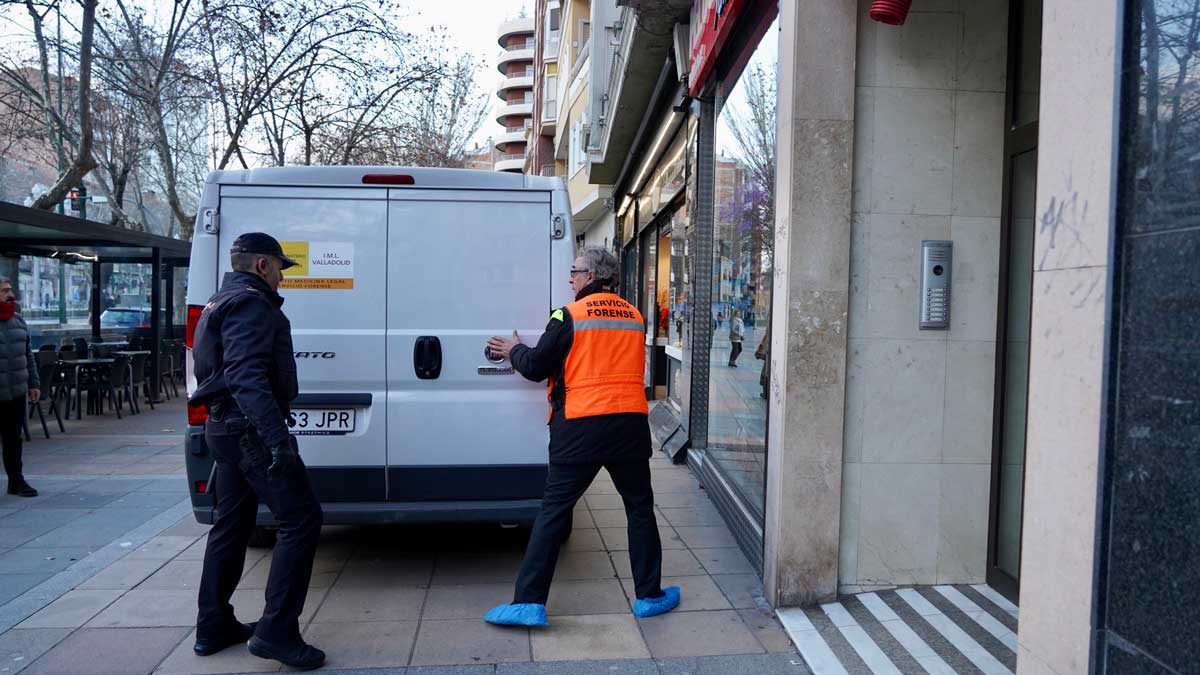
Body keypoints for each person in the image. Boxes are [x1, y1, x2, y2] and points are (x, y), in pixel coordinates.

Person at [483, 247, 680, 627]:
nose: (570, 279)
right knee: (639, 508)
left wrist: (513, 349)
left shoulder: (568, 315)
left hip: (581, 427)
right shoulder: (635, 316)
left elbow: (538, 367)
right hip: (629, 427)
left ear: (590, 276)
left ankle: (528, 603)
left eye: (574, 272)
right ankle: (649, 596)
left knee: (554, 512)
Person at [190, 233, 325, 670]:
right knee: (302, 519)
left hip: (224, 429)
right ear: (263, 265)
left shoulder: (220, 299)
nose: (282, 279)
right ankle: (277, 633)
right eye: (280, 269)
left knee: (231, 525)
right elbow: (247, 376)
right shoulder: (251, 304)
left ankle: (213, 625)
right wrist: (276, 440)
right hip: (248, 431)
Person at [0, 278, 40, 498]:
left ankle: (16, 481)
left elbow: (28, 356)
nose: (10, 295)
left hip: (15, 391)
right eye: (5, 291)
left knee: (13, 439)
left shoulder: (18, 321)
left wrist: (33, 383)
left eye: (10, 290)